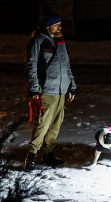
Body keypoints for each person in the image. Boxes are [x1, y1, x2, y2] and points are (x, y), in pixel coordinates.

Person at [24, 13, 76, 171]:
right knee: (42, 124)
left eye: (60, 24)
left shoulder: (60, 42)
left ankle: (48, 154)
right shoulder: (38, 41)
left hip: (61, 91)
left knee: (55, 125)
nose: (60, 27)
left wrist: (71, 86)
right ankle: (32, 155)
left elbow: (67, 65)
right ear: (48, 27)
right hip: (46, 90)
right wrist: (33, 88)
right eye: (56, 25)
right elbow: (30, 65)